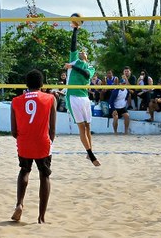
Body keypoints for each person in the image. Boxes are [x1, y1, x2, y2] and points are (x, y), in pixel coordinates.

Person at [10, 69, 57, 224]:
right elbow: (53, 128)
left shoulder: (16, 101)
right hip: (42, 142)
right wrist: (50, 141)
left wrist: (24, 138)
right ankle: (41, 217)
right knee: (44, 176)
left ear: (26, 84)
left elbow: (13, 131)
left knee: (24, 171)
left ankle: (19, 204)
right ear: (42, 84)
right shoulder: (50, 98)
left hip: (24, 142)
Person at [64, 13, 100, 166]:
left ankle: (89, 150)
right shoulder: (74, 59)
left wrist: (73, 67)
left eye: (84, 52)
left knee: (88, 126)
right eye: (80, 51)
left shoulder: (89, 67)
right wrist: (75, 30)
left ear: (87, 55)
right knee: (81, 127)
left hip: (85, 98)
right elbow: (73, 44)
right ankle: (90, 154)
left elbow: (86, 74)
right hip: (73, 96)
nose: (81, 51)